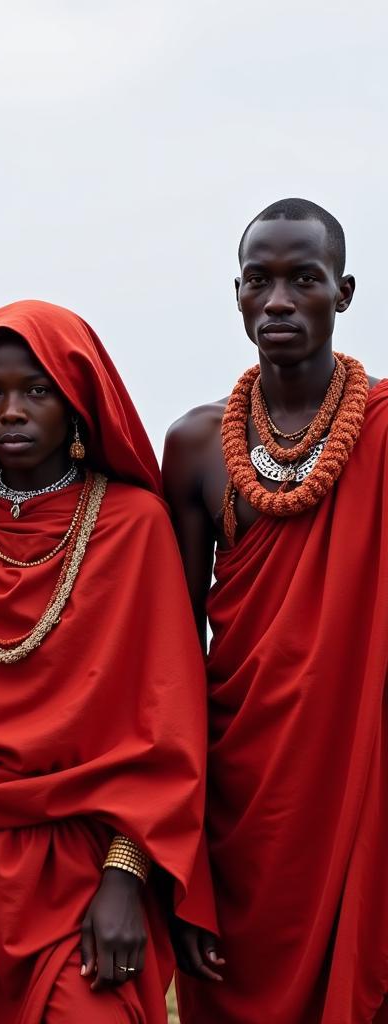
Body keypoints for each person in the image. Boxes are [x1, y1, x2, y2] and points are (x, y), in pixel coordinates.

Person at [0, 300, 214, 1023]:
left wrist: (125, 880)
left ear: (77, 403)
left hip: (87, 862)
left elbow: (166, 720)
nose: (12, 411)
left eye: (36, 392)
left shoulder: (134, 524)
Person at [164, 198, 388, 1023]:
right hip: (240, 785)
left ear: (346, 292)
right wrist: (179, 849)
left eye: (306, 279)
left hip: (361, 769)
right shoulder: (195, 445)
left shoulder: (384, 429)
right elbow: (175, 648)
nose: (280, 300)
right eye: (260, 281)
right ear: (237, 294)